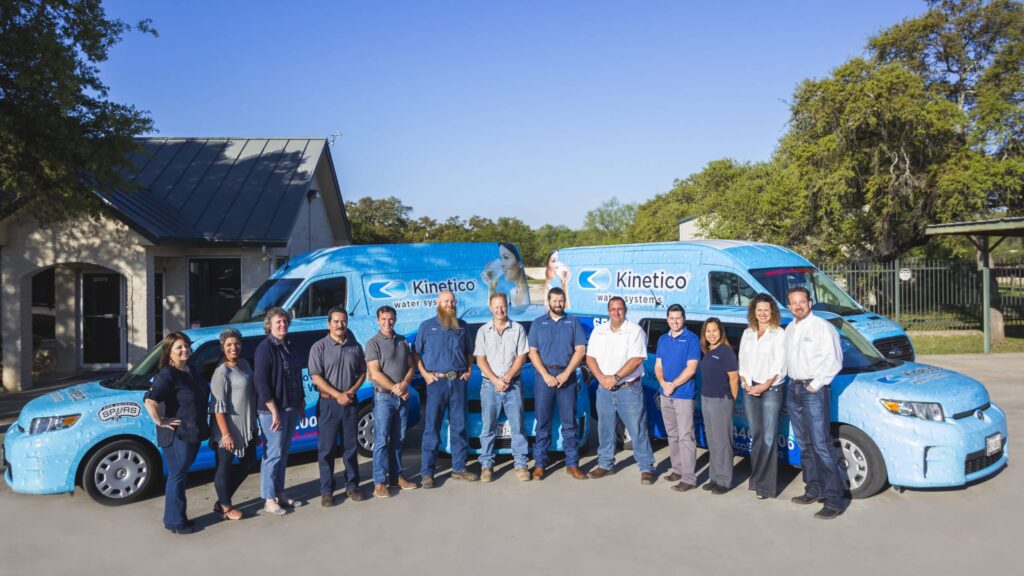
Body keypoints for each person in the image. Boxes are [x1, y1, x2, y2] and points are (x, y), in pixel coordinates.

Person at [785, 286, 848, 519]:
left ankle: (833, 500)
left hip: (814, 390)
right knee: (804, 444)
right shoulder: (790, 329)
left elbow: (834, 360)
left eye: (802, 301)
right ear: (789, 306)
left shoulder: (822, 327)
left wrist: (815, 385)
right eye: (794, 302)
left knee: (821, 444)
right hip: (794, 389)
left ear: (810, 303)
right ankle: (813, 489)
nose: (798, 306)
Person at [143, 332, 210, 534]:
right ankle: (176, 522)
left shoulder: (190, 370)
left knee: (180, 475)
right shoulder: (167, 374)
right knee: (177, 476)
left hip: (193, 431)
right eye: (179, 347)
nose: (184, 350)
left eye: (186, 346)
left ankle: (176, 518)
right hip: (177, 435)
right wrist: (160, 420)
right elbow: (150, 399)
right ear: (169, 352)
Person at [585, 297, 656, 484]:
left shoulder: (635, 331)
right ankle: (605, 463)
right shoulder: (599, 332)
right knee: (605, 428)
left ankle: (646, 467)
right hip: (604, 389)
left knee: (637, 428)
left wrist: (615, 378)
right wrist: (602, 378)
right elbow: (590, 357)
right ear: (608, 311)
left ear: (626, 310)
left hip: (628, 389)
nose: (616, 312)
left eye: (620, 309)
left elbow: (637, 359)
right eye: (613, 309)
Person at [415, 290, 478, 487]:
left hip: (458, 382)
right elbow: (416, 355)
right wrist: (425, 375)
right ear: (438, 303)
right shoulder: (426, 326)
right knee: (432, 428)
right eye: (446, 301)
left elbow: (469, 352)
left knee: (459, 426)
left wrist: (468, 371)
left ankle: (459, 468)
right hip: (437, 384)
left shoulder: (462, 326)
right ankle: (427, 472)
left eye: (452, 301)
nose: (450, 304)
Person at [527, 287, 588, 481]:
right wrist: (545, 374)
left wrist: (566, 373)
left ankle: (572, 464)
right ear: (548, 302)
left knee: (570, 423)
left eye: (561, 301)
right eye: (555, 301)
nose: (558, 304)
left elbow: (580, 350)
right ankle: (539, 464)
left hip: (566, 377)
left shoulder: (573, 322)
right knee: (542, 423)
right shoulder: (537, 324)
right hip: (544, 378)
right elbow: (532, 352)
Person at [309, 307, 366, 507]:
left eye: (343, 321)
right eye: (336, 321)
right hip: (328, 404)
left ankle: (352, 486)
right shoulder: (319, 347)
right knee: (326, 449)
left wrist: (350, 391)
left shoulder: (355, 347)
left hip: (350, 403)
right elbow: (316, 376)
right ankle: (327, 490)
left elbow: (362, 373)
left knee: (350, 448)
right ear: (328, 323)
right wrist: (337, 395)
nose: (340, 325)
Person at [253, 307, 305, 516]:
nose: (282, 325)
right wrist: (273, 409)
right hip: (272, 411)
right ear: (269, 325)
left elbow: (296, 377)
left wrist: (300, 403)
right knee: (272, 454)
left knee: (283, 454)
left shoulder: (288, 346)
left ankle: (280, 493)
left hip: (291, 406)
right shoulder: (265, 348)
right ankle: (268, 498)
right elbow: (261, 381)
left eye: (284, 321)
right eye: (278, 322)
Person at [474, 292, 530, 482]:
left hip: (513, 385)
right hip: (490, 386)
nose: (500, 310)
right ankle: (487, 465)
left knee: (518, 427)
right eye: (496, 306)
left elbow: (521, 356)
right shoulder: (483, 331)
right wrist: (496, 379)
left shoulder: (518, 329)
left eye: (503, 306)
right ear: (491, 308)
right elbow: (480, 359)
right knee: (488, 427)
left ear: (508, 306)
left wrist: (506, 377)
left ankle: (521, 464)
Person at [365, 305, 418, 498]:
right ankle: (379, 482)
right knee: (380, 441)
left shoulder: (403, 341)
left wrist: (403, 384)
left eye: (390, 319)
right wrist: (395, 388)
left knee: (399, 439)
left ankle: (397, 476)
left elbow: (412, 367)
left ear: (395, 319)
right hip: (383, 398)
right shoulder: (373, 344)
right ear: (378, 320)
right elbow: (375, 373)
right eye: (384, 319)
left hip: (401, 397)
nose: (387, 322)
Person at [739, 294, 786, 500]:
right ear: (754, 312)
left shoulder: (779, 333)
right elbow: (742, 359)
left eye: (766, 309)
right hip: (750, 388)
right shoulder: (747, 333)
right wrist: (744, 381)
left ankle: (766, 487)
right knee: (756, 436)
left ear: (772, 311)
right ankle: (756, 479)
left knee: (768, 437)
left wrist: (765, 385)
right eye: (759, 310)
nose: (763, 313)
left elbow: (780, 364)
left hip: (771, 389)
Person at [209, 328, 259, 521]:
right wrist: (226, 434)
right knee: (224, 467)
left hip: (247, 425)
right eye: (229, 345)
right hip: (228, 429)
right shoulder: (221, 372)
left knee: (249, 464)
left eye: (236, 343)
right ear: (222, 347)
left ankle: (222, 499)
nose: (233, 348)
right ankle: (226, 507)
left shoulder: (244, 364)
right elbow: (217, 406)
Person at [653, 304, 701, 492]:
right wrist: (663, 382)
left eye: (678, 318)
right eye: (672, 318)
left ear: (684, 319)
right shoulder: (663, 339)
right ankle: (678, 469)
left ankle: (689, 478)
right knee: (672, 434)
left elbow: (691, 369)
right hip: (665, 393)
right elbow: (658, 365)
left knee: (686, 436)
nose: (675, 321)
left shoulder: (691, 339)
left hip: (683, 395)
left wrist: (673, 384)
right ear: (667, 320)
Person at [698, 317, 739, 495]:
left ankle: (724, 480)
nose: (711, 334)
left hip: (721, 401)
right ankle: (714, 477)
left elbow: (734, 378)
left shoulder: (726, 352)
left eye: (715, 331)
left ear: (721, 332)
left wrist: (731, 401)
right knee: (713, 441)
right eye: (708, 331)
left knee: (723, 442)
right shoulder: (708, 351)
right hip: (706, 399)